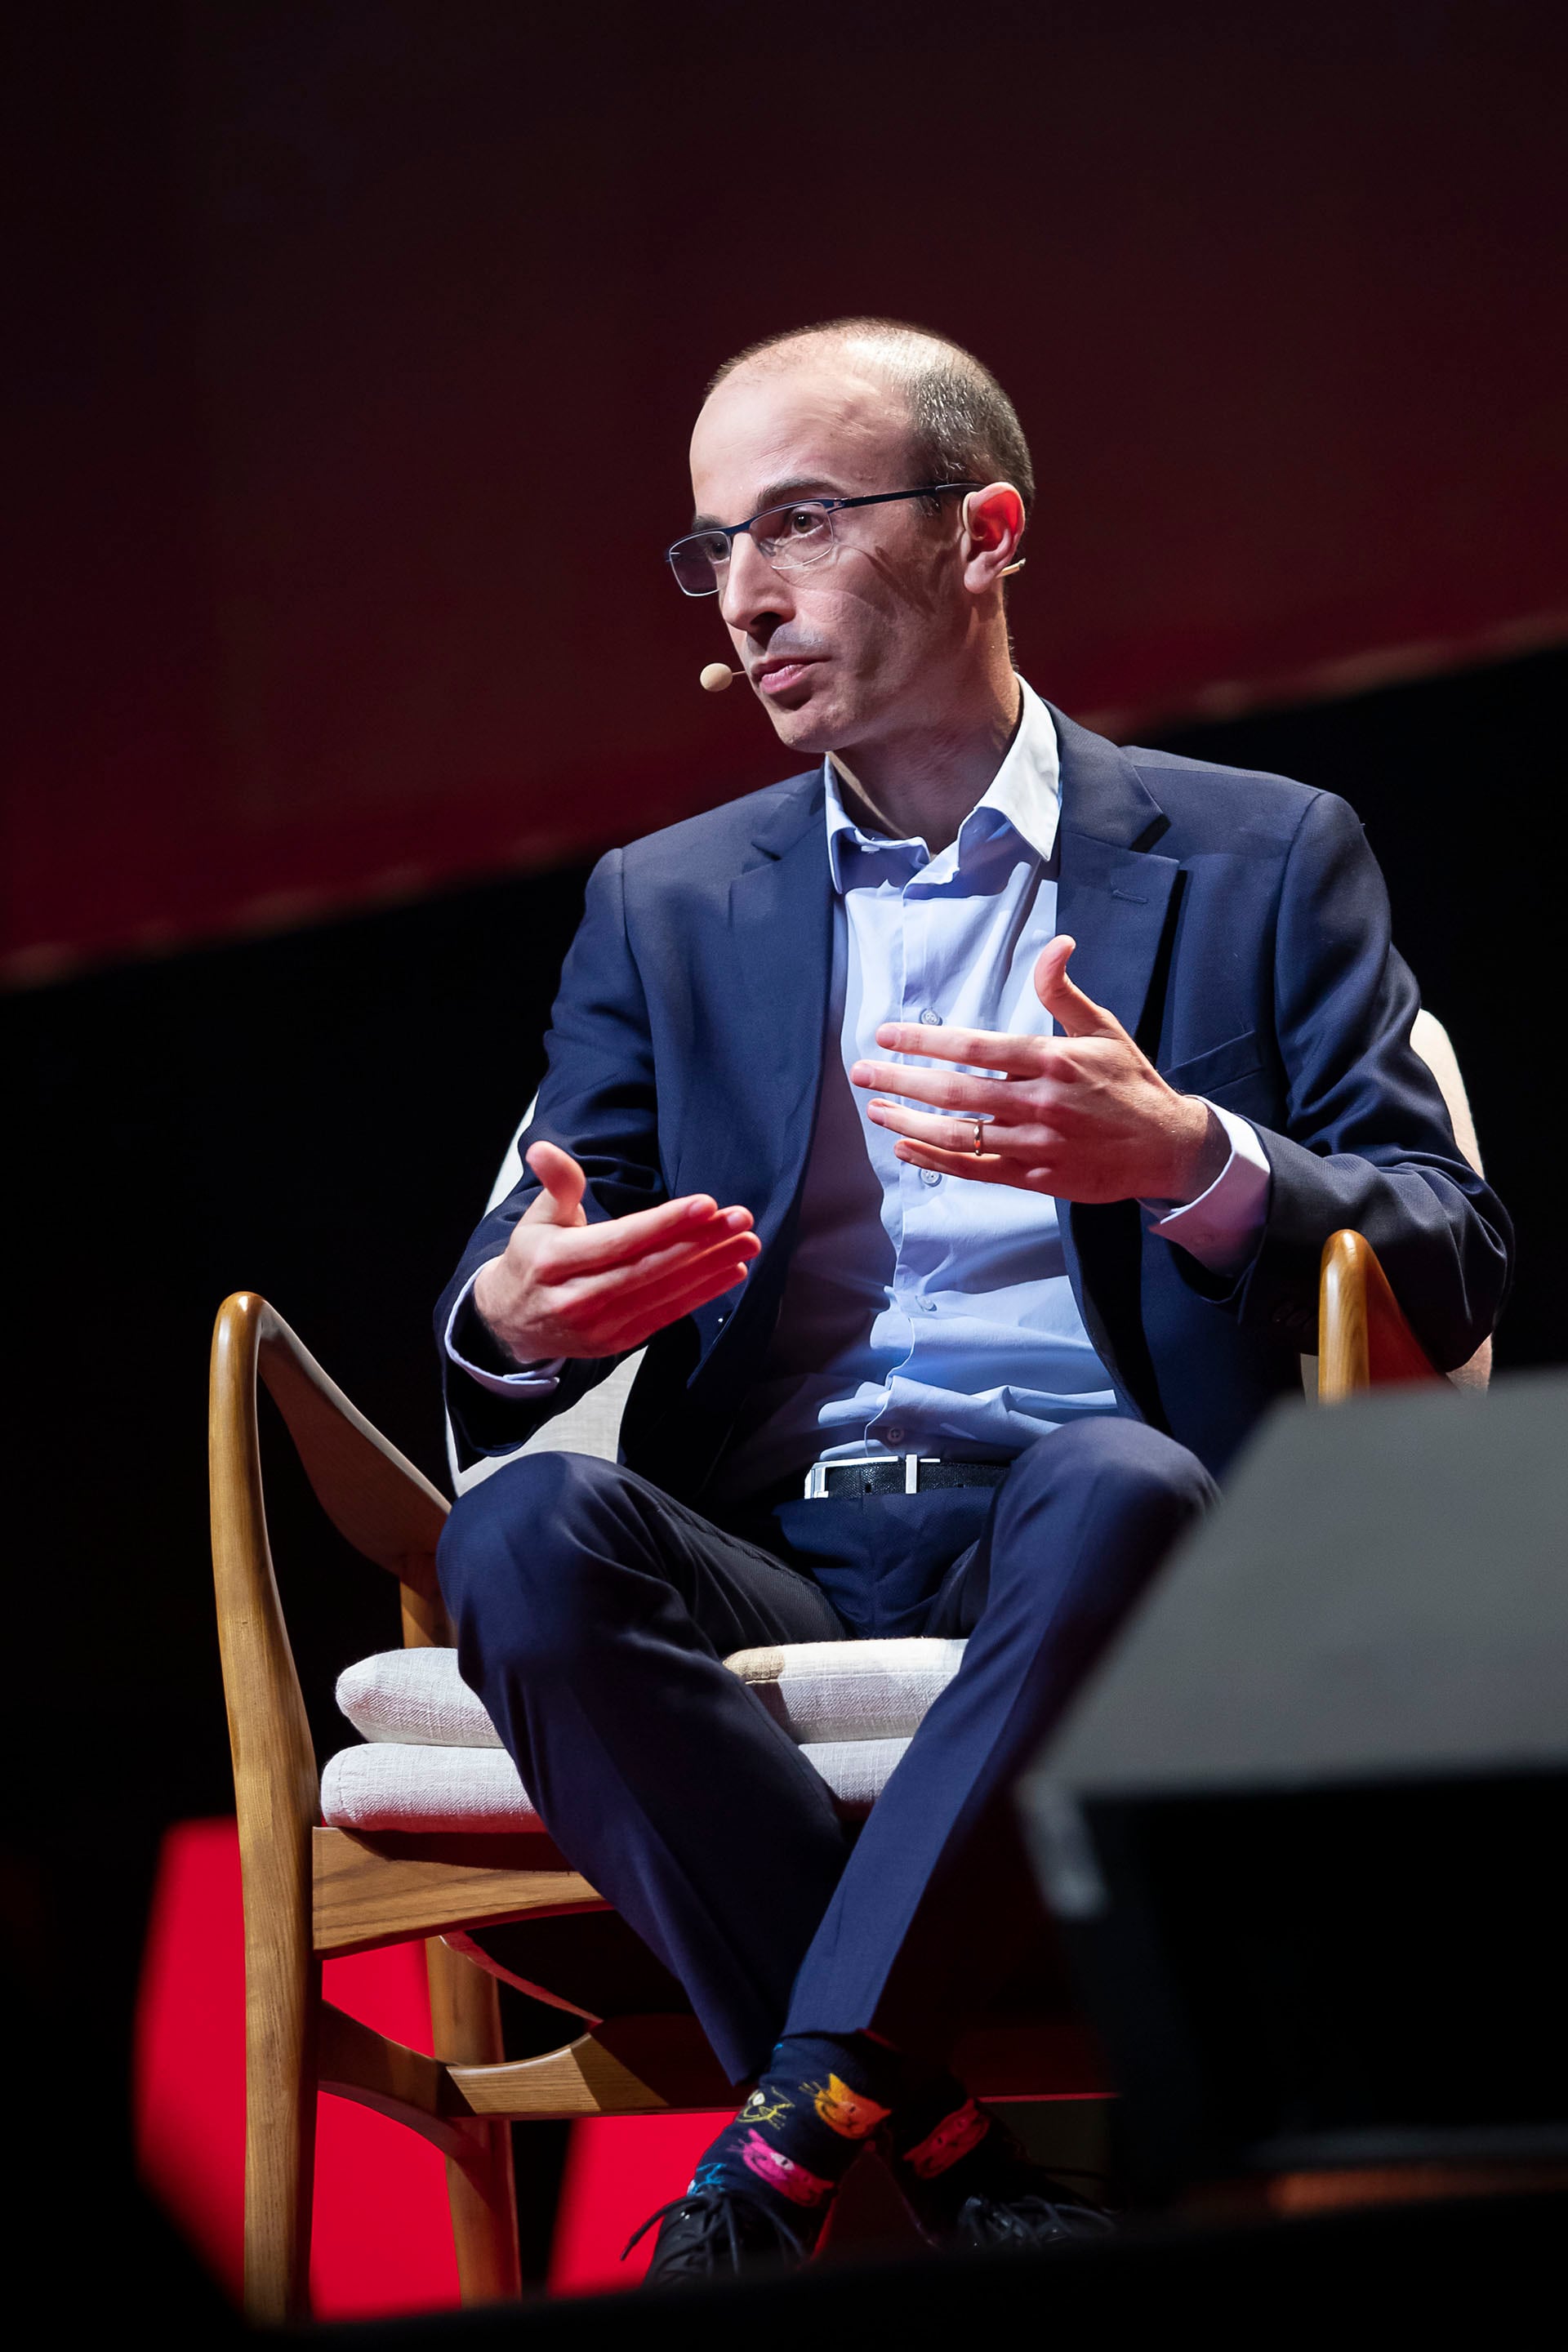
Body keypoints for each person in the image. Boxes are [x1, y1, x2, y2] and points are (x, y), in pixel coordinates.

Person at [434, 318, 1510, 2281]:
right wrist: (525, 1310)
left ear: (985, 532)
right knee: (518, 1531)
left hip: (1090, 1534)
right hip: (774, 1538)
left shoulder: (1263, 855)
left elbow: (1449, 1251)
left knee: (1118, 1482)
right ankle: (893, 2131)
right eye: (711, 549)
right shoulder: (661, 905)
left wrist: (1189, 1158)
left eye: (801, 523)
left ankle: (781, 2174)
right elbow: (526, 1255)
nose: (745, 596)